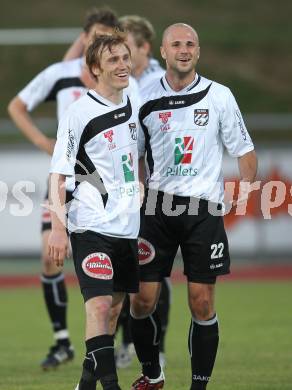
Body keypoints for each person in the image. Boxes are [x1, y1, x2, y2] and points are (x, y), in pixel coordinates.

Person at [130, 23, 257, 390]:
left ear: (198, 52)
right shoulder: (143, 97)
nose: (184, 49)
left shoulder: (219, 96)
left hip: (203, 210)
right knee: (141, 300)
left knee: (201, 302)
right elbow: (133, 154)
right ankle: (153, 374)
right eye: (176, 44)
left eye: (190, 44)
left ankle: (198, 387)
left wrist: (246, 188)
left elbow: (245, 151)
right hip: (156, 208)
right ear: (164, 53)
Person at [7, 7, 122, 370]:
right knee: (49, 255)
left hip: (105, 185)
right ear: (84, 39)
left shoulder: (121, 80)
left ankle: (112, 342)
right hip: (65, 179)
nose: (100, 44)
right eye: (94, 37)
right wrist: (44, 142)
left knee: (118, 267)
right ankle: (62, 341)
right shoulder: (61, 74)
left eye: (108, 38)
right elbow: (17, 105)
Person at [48, 33, 140, 390]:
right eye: (113, 60)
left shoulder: (134, 98)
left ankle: (86, 384)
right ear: (95, 69)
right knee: (99, 308)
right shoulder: (79, 112)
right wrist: (58, 228)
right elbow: (59, 173)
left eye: (124, 57)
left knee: (113, 312)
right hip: (91, 226)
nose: (122, 65)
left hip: (128, 227)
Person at [115, 15, 169, 370]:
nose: (121, 55)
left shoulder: (158, 84)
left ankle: (157, 344)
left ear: (145, 48)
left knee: (153, 270)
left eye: (128, 48)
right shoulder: (119, 84)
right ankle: (127, 343)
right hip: (125, 189)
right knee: (122, 265)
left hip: (154, 190)